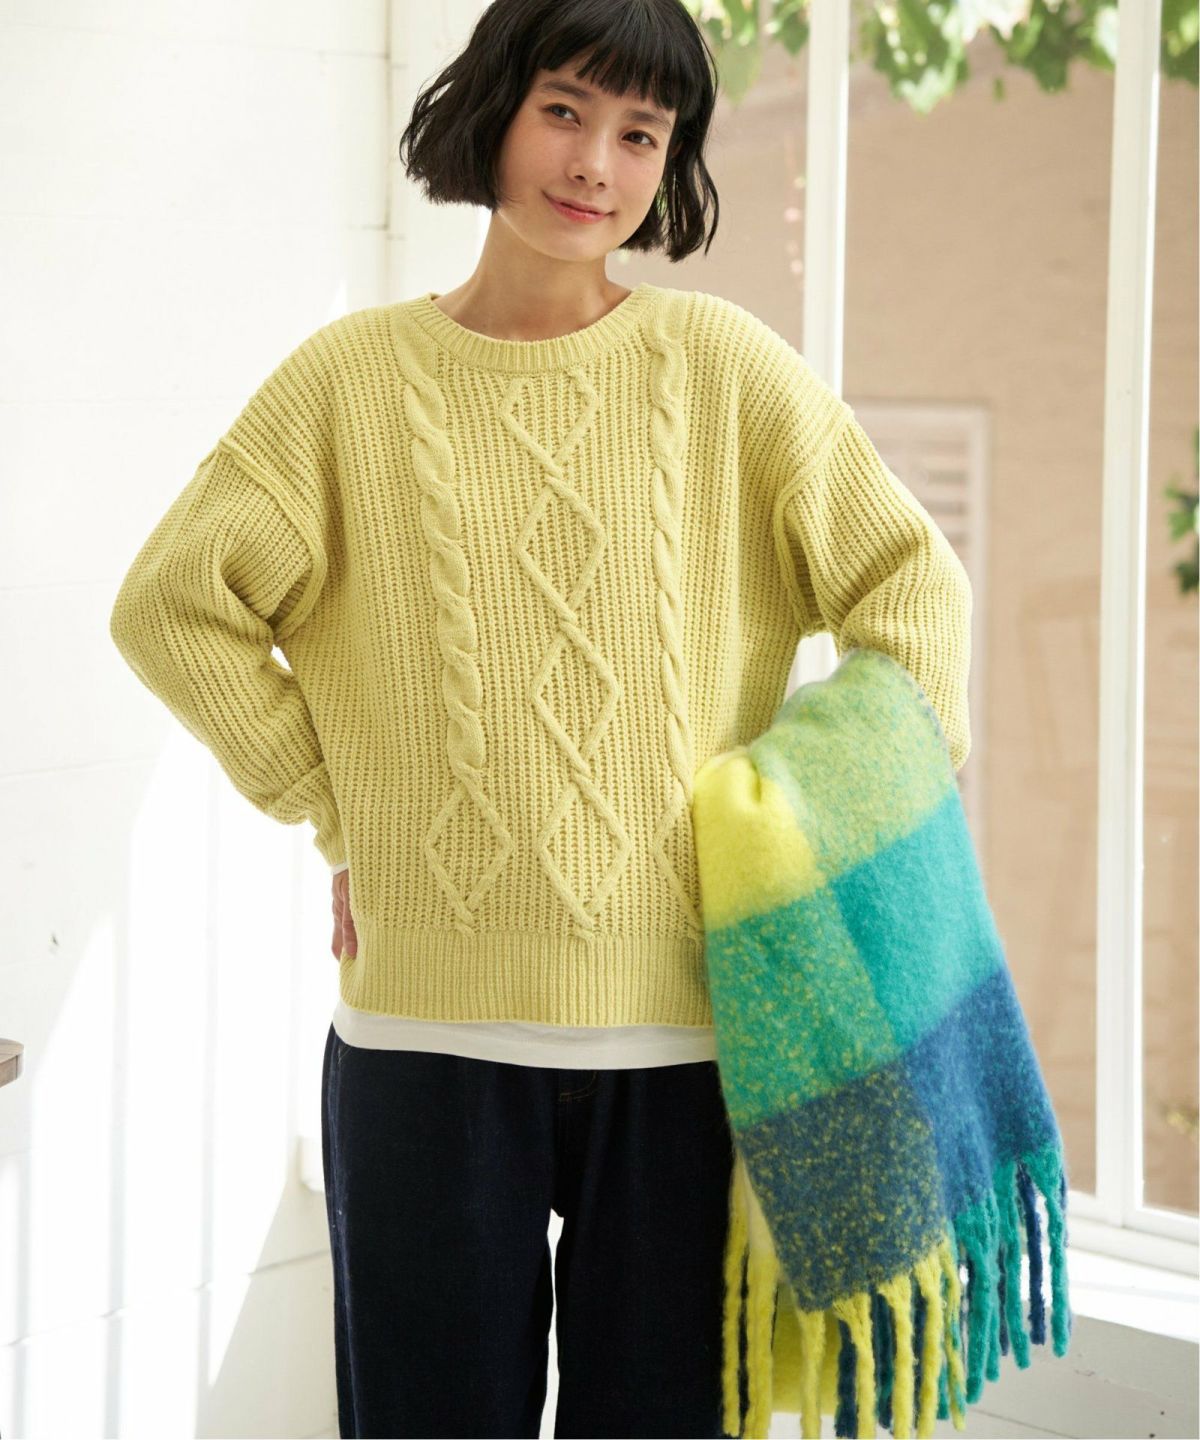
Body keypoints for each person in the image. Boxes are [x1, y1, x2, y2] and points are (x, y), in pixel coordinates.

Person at [108, 0, 973, 1435]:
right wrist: (343, 811)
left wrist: (797, 826)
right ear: (494, 106)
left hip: (691, 1053)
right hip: (421, 1047)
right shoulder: (347, 383)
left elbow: (915, 594)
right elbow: (171, 605)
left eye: (642, 132)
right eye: (565, 109)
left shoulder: (726, 370)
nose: (596, 164)